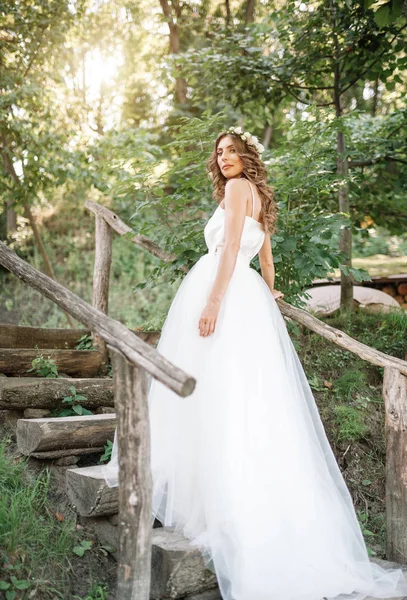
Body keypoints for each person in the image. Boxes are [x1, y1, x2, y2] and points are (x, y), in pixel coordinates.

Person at [102, 126, 407, 600]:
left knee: (208, 389)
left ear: (246, 155)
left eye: (231, 151)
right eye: (219, 152)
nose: (224, 158)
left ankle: (211, 493)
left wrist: (213, 302)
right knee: (241, 393)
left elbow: (228, 250)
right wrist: (268, 284)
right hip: (247, 296)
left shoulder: (238, 189)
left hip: (223, 292)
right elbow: (263, 250)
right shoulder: (257, 193)